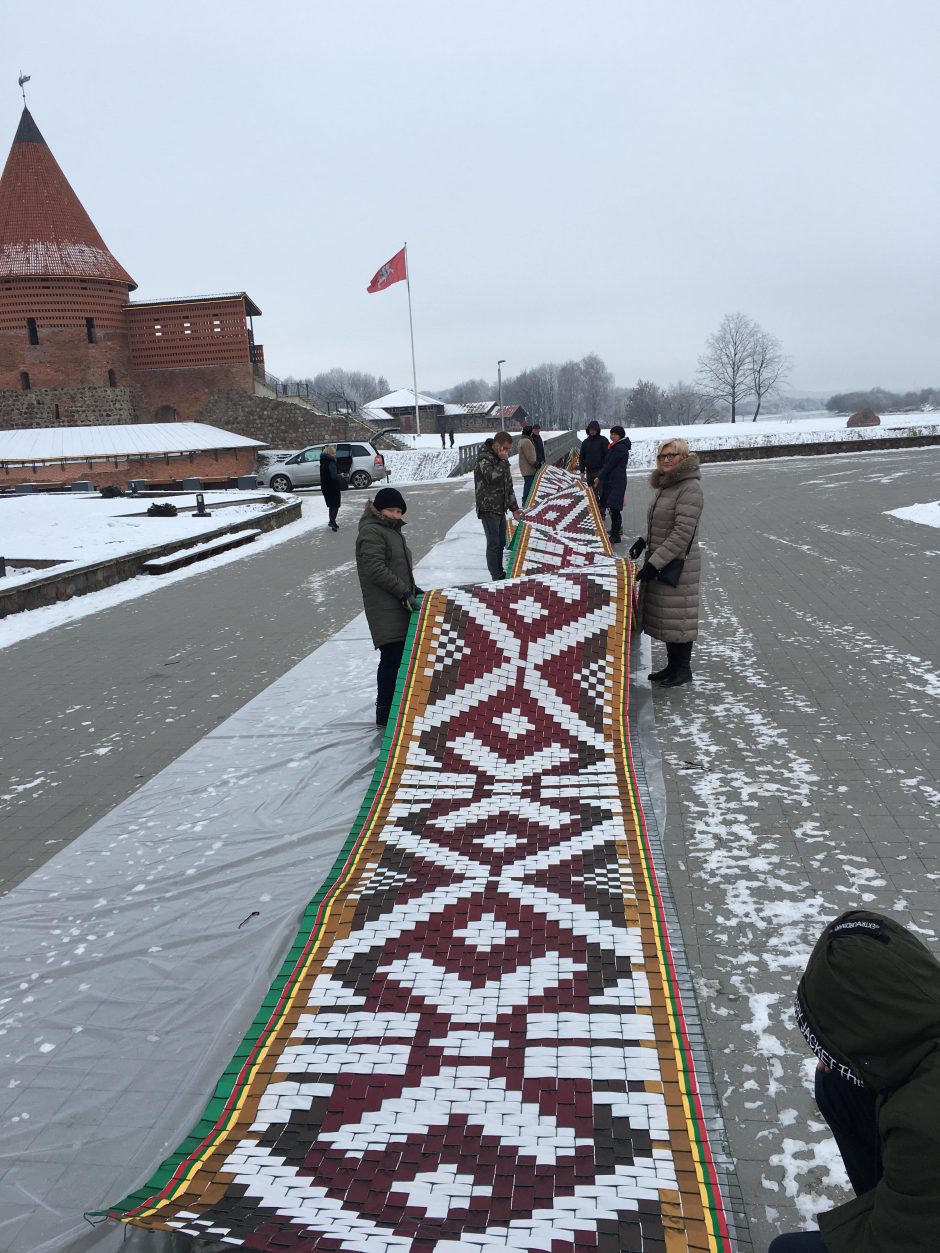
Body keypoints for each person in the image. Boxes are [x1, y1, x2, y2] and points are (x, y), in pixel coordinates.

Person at [768, 908, 940, 1252]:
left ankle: (891, 1202)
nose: (828, 1060)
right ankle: (888, 1197)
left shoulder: (923, 1122)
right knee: (839, 1086)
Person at [630, 437, 703, 687]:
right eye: (662, 456)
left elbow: (682, 532)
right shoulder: (668, 485)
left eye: (672, 455)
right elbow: (661, 524)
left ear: (683, 457)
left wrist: (655, 562)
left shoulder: (689, 487)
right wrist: (643, 541)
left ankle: (683, 669)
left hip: (678, 563)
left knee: (679, 616)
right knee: (669, 616)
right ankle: (672, 666)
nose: (667, 460)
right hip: (664, 559)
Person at [355, 486, 421, 727]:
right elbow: (375, 569)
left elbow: (397, 568)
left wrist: (414, 589)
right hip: (385, 605)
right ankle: (384, 710)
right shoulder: (372, 532)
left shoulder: (391, 530)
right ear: (378, 509)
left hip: (398, 600)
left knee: (399, 655)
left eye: (398, 511)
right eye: (391, 510)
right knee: (392, 657)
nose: (396, 514)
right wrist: (404, 592)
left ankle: (397, 704)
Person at [474, 431, 521, 580]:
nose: (507, 452)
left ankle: (499, 573)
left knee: (501, 542)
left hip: (500, 507)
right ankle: (496, 577)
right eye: (505, 448)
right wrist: (502, 461)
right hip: (488, 507)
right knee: (493, 544)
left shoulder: (501, 459)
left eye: (508, 449)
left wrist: (514, 508)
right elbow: (491, 477)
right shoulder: (484, 457)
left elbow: (508, 484)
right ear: (497, 445)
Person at [594, 424, 631, 544]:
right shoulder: (616, 446)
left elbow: (610, 464)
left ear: (620, 435)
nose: (612, 436)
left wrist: (599, 477)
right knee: (613, 507)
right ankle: (615, 531)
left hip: (617, 481)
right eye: (611, 434)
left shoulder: (620, 448)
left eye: (615, 434)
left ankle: (616, 535)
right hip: (613, 480)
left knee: (615, 508)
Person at [319, 445, 343, 531]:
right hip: (332, 486)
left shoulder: (323, 461)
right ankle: (332, 521)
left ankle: (332, 521)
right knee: (336, 504)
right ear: (330, 453)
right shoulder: (331, 462)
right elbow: (334, 476)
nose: (335, 455)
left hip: (325, 486)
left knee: (331, 505)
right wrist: (340, 476)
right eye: (334, 453)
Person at [578, 421, 608, 489]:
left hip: (600, 471)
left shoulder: (603, 440)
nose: (592, 431)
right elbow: (582, 457)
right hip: (589, 472)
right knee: (591, 492)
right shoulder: (585, 442)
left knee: (601, 492)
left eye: (594, 430)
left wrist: (605, 469)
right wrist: (582, 471)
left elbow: (608, 456)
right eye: (590, 430)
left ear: (597, 430)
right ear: (588, 430)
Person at [518, 424, 538, 504]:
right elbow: (529, 456)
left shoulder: (522, 440)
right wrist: (535, 464)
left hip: (525, 467)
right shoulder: (526, 441)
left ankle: (526, 501)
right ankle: (526, 502)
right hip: (528, 468)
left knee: (528, 484)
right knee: (529, 486)